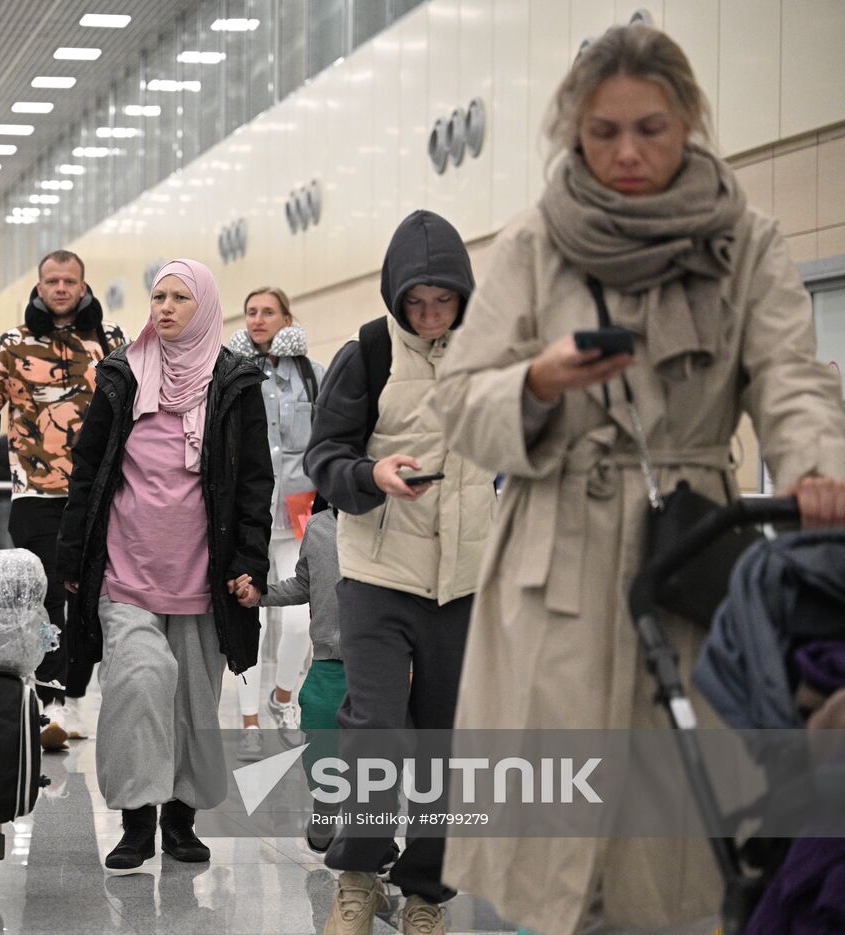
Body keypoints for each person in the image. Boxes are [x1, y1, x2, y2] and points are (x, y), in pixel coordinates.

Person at [430, 25, 845, 935]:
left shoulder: (747, 239)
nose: (626, 153)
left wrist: (817, 464)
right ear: (572, 131)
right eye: (603, 130)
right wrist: (537, 381)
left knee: (683, 843)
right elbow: (460, 398)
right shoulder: (537, 241)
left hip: (692, 553)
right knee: (565, 844)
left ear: (691, 121)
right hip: (555, 566)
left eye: (650, 129)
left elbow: (788, 374)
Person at [303, 209, 495, 935]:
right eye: (415, 301)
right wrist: (370, 473)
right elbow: (323, 456)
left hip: (465, 578)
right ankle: (357, 876)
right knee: (375, 730)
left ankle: (425, 893)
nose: (429, 314)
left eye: (442, 300)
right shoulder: (370, 353)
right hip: (379, 571)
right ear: (395, 296)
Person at [55, 259, 273, 874]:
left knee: (194, 702)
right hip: (126, 568)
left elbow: (255, 482)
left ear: (203, 306)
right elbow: (89, 468)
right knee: (137, 683)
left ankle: (180, 817)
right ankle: (135, 818)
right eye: (159, 296)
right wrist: (72, 554)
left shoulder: (235, 383)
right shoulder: (123, 375)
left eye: (181, 297)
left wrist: (249, 559)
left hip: (204, 575)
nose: (167, 307)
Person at [0, 249, 127, 750]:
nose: (61, 288)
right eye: (52, 280)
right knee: (45, 595)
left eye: (69, 280)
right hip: (33, 492)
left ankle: (74, 699)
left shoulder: (111, 340)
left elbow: (133, 406)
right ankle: (46, 701)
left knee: (85, 598)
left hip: (96, 492)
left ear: (83, 284)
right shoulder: (13, 344)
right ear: (39, 285)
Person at [225, 286, 325, 760]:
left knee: (302, 621)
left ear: (287, 318)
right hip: (248, 515)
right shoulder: (231, 373)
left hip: (299, 515)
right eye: (251, 312)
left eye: (268, 312)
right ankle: (248, 722)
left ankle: (282, 698)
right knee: (252, 619)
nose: (258, 319)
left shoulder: (313, 374)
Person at [236, 496, 352, 854]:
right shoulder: (319, 528)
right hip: (329, 661)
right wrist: (260, 595)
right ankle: (326, 807)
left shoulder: (393, 526)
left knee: (379, 749)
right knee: (321, 737)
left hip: (378, 660)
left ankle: (373, 833)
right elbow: (304, 583)